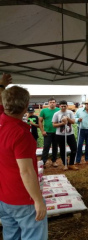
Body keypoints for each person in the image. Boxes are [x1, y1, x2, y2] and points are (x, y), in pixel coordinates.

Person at [0, 73, 48, 240]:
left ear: (4, 105)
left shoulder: (1, 120)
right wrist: (37, 200)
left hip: (4, 196)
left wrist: (2, 86)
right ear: (27, 105)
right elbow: (26, 171)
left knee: (11, 235)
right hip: (23, 198)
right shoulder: (21, 133)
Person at [52, 100, 79, 171]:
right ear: (59, 106)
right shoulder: (56, 114)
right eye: (62, 106)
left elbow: (73, 122)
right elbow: (54, 125)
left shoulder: (70, 112)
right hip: (60, 135)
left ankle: (71, 164)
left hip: (70, 134)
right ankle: (65, 164)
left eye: (64, 106)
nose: (63, 107)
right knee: (62, 150)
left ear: (67, 106)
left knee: (74, 148)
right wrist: (62, 123)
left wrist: (67, 118)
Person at [39, 97, 60, 167]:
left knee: (55, 147)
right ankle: (43, 162)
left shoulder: (58, 110)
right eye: (51, 102)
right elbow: (40, 121)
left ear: (56, 103)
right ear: (48, 103)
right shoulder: (43, 111)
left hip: (57, 132)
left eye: (53, 102)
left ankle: (54, 161)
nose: (52, 104)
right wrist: (42, 131)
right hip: (47, 132)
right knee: (46, 147)